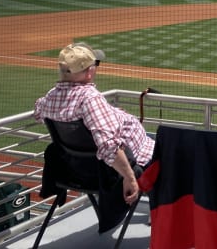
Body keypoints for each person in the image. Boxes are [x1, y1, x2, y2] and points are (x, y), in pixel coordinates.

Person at [34, 42, 154, 205]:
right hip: (114, 166)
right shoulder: (90, 98)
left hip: (74, 168)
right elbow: (109, 147)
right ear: (89, 72)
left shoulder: (50, 98)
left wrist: (111, 112)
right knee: (168, 154)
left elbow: (40, 112)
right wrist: (130, 177)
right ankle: (158, 211)